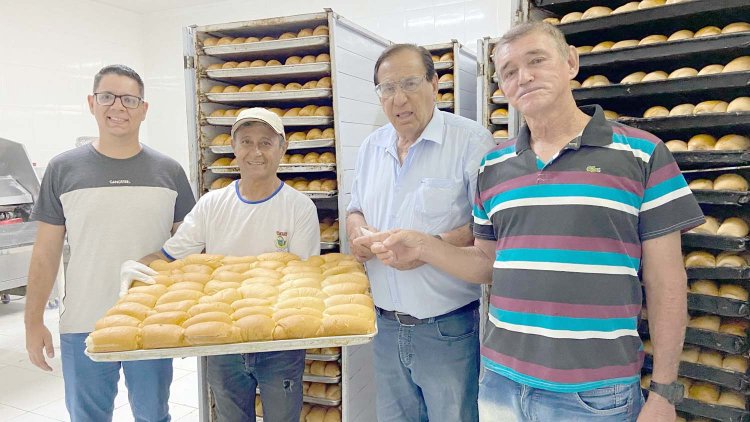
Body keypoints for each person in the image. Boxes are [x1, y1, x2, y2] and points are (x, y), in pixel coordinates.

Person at [359, 22, 705, 421]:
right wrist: (423, 246)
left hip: (593, 393)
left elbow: (666, 281)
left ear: (570, 62)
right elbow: (486, 263)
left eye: (536, 60)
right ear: (502, 87)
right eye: (509, 72)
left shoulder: (642, 155)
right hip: (501, 383)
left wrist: (663, 392)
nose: (523, 77)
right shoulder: (495, 165)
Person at [120, 107, 320, 422]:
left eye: (266, 143)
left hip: (279, 344)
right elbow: (169, 255)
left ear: (283, 148)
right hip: (222, 340)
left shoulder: (299, 208)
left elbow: (302, 280)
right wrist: (136, 266)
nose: (255, 151)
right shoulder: (212, 205)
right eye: (246, 142)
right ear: (233, 147)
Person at [25, 64, 196, 422]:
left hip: (151, 320)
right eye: (107, 97)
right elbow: (45, 253)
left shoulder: (169, 171)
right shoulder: (63, 169)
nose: (118, 107)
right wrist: (33, 321)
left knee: (153, 415)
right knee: (88, 417)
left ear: (144, 109)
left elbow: (189, 249)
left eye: (129, 99)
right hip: (84, 320)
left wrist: (186, 316)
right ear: (92, 102)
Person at [345, 43, 494, 422]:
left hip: (446, 329)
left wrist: (429, 247)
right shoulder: (370, 147)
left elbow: (488, 226)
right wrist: (358, 233)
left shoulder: (471, 142)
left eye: (410, 83)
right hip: (383, 326)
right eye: (387, 88)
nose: (399, 99)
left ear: (435, 84)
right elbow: (355, 208)